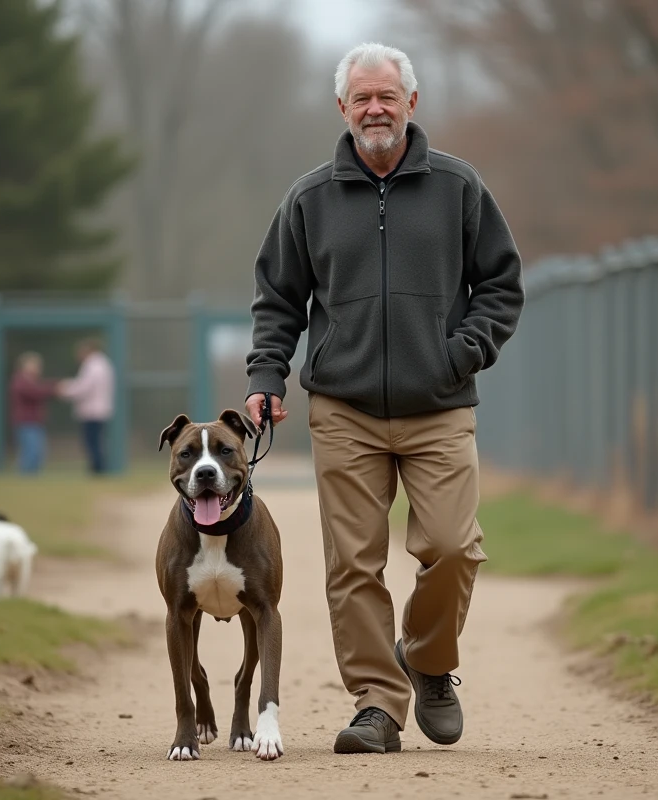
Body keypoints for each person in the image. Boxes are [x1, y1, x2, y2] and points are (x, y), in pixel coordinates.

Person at [244, 42, 524, 754]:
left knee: (455, 548)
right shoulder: (309, 198)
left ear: (411, 104)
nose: (375, 108)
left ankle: (428, 661)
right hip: (344, 408)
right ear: (342, 108)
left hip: (440, 406)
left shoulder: (459, 187)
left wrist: (459, 353)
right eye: (362, 98)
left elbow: (501, 285)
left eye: (387, 97)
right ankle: (377, 704)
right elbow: (278, 298)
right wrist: (266, 379)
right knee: (353, 565)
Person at [58, 338, 115, 475]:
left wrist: (65, 390)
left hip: (92, 412)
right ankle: (98, 469)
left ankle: (98, 470)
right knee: (96, 442)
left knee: (92, 443)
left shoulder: (93, 365)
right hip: (99, 410)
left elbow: (84, 387)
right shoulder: (103, 363)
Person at [8, 352, 57, 475]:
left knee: (38, 453)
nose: (37, 368)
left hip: (35, 422)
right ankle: (25, 478)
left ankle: (32, 479)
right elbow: (36, 392)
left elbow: (40, 390)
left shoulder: (33, 381)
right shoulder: (20, 381)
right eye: (33, 365)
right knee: (31, 452)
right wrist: (56, 388)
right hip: (26, 422)